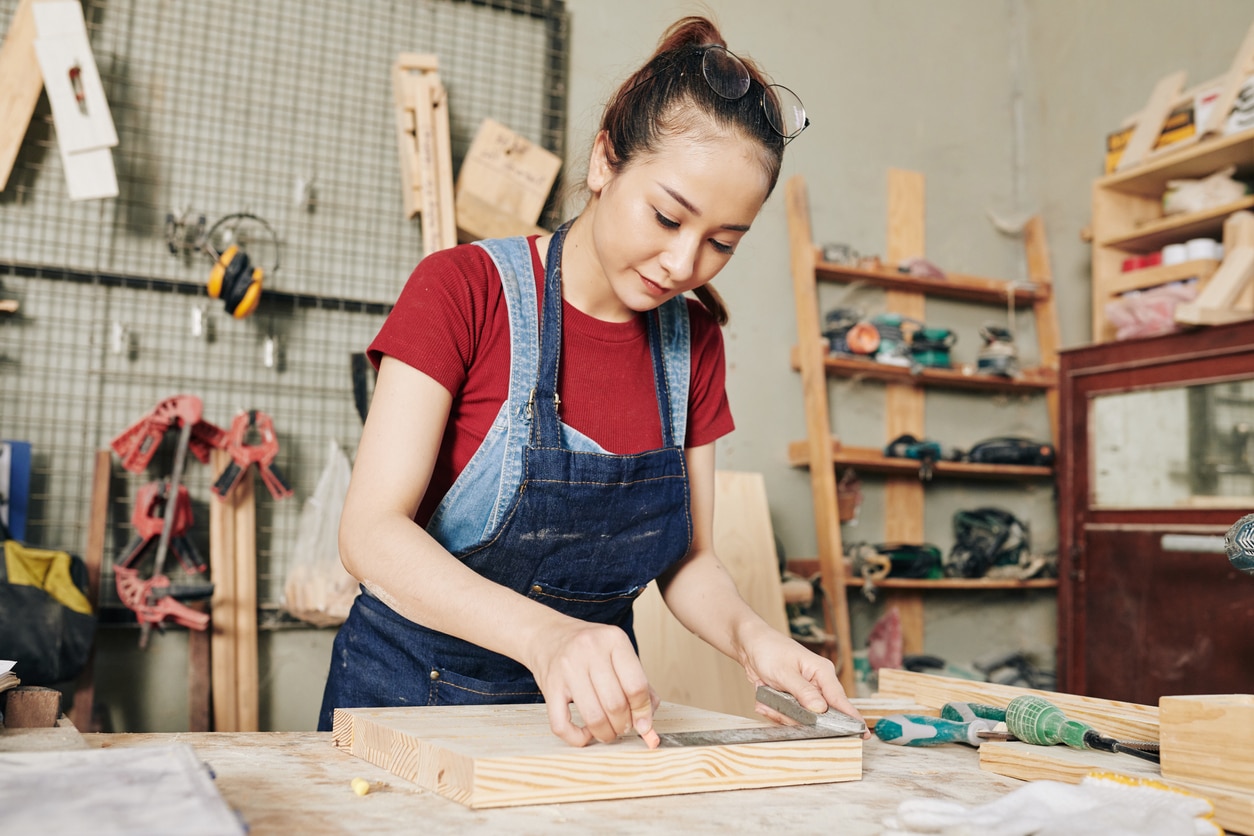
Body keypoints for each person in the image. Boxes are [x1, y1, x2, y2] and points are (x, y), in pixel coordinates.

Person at [318, 14, 863, 747]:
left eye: (721, 243)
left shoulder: (693, 343)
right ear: (605, 162)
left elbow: (690, 559)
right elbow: (371, 533)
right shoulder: (463, 290)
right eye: (668, 217)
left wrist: (756, 640)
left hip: (592, 718)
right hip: (409, 697)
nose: (682, 264)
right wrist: (547, 640)